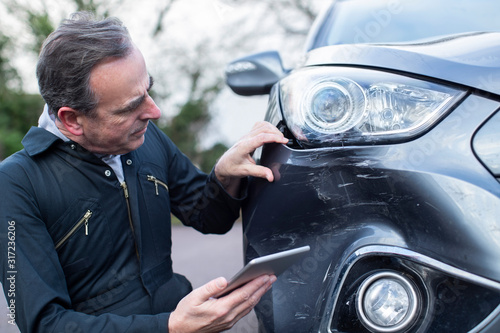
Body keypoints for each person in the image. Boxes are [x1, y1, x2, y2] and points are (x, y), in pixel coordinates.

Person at [0, 11, 288, 333]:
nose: (154, 111)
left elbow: (211, 218)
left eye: (149, 90)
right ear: (71, 120)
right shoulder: (14, 184)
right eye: (129, 107)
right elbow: (43, 324)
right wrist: (170, 327)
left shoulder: (144, 137)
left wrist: (224, 174)